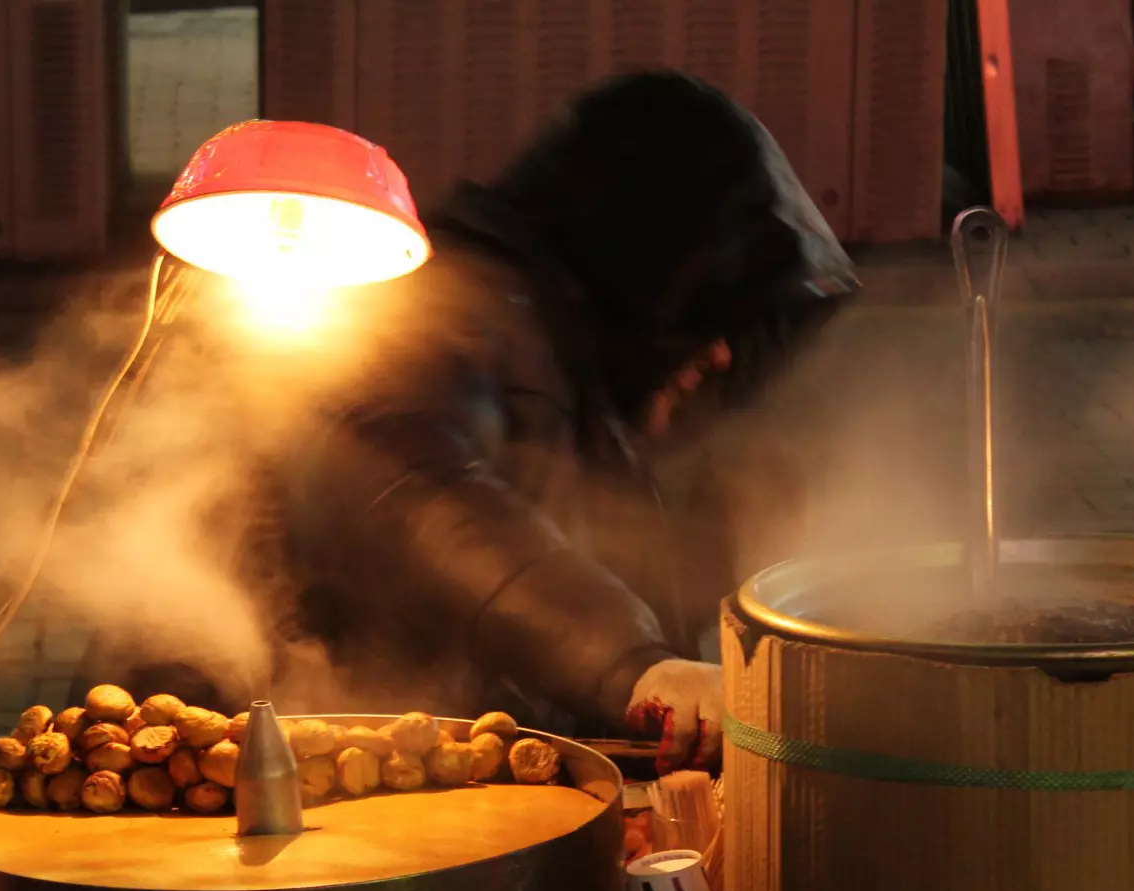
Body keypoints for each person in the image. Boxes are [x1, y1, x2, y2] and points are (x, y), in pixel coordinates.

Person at [77, 71, 854, 772]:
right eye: (708, 307)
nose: (720, 354)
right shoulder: (442, 308)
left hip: (365, 800)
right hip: (219, 800)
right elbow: (407, 487)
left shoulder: (568, 364)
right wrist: (633, 668)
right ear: (643, 260)